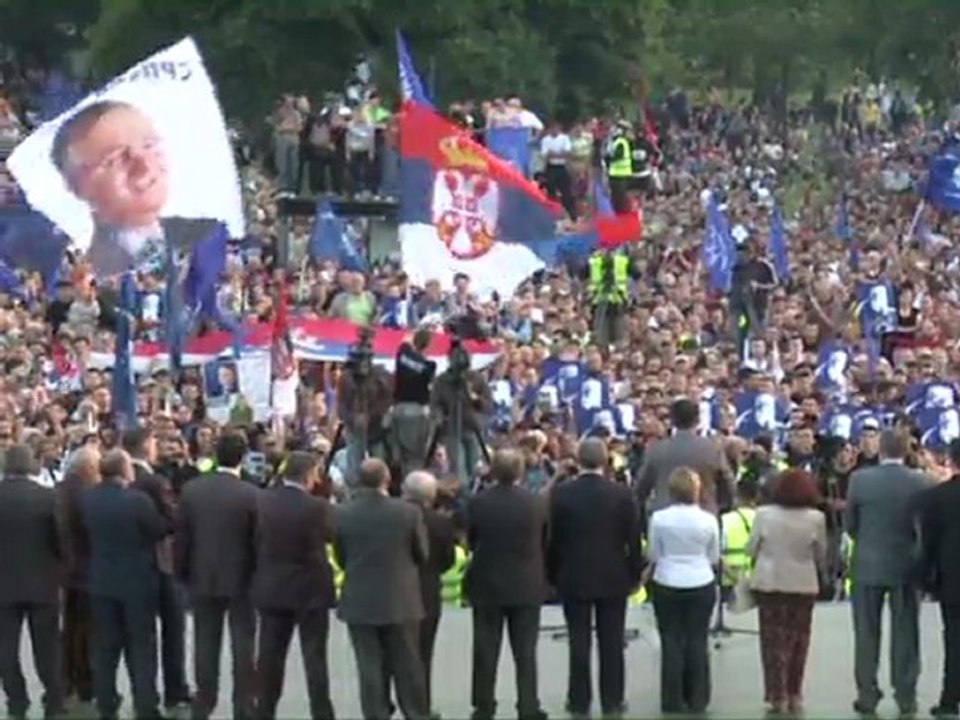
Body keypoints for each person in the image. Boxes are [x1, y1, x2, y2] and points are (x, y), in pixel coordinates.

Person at [50, 99, 223, 277]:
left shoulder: (210, 233)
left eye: (149, 145)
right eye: (116, 159)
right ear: (77, 186)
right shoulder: (90, 270)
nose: (145, 166)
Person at [548, 438, 643, 718]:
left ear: (578, 460)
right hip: (614, 576)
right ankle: (612, 699)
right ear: (605, 461)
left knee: (578, 641)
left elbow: (553, 540)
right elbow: (633, 540)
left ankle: (578, 700)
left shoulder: (562, 494)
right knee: (612, 641)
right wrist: (634, 573)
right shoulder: (623, 494)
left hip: (573, 575)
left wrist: (552, 573)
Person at [334, 458, 428, 720]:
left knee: (369, 666)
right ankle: (415, 713)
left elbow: (341, 556)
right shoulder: (408, 513)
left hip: (360, 599)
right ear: (387, 479)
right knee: (407, 664)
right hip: (400, 598)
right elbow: (422, 553)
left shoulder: (344, 513)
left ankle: (375, 715)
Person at [174, 430, 259, 720]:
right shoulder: (251, 494)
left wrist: (181, 573)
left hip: (202, 576)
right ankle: (244, 705)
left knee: (205, 643)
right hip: (243, 579)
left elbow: (181, 539)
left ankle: (204, 702)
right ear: (243, 457)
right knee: (243, 645)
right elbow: (258, 541)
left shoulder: (192, 490)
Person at [846, 430, 931, 718]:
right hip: (906, 566)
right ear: (906, 450)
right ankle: (906, 695)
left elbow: (850, 525)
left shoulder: (859, 480)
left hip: (867, 564)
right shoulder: (920, 481)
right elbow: (924, 527)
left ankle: (867, 694)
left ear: (879, 450)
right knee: (906, 632)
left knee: (866, 633)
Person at [81, 448, 169, 720]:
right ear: (124, 470)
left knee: (106, 646)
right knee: (141, 645)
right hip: (137, 581)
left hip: (101, 580)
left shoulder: (89, 499)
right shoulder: (138, 500)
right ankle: (145, 704)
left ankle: (106, 702)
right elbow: (159, 530)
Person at [464, 449, 549, 720]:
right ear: (521, 472)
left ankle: (484, 706)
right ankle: (528, 705)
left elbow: (471, 539)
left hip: (487, 582)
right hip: (526, 583)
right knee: (525, 651)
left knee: (485, 649)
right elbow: (545, 540)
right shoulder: (536, 503)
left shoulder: (478, 502)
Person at [251, 451, 336, 720]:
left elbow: (253, 540)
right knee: (315, 659)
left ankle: (264, 711)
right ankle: (321, 713)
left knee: (270, 658)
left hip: (273, 587)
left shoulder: (262, 502)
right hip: (311, 590)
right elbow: (333, 535)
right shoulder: (318, 507)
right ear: (310, 475)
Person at [748, 469, 827, 715]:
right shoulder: (816, 518)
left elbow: (751, 549)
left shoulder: (763, 515)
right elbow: (821, 554)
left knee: (772, 642)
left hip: (770, 583)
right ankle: (795, 693)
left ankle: (776, 695)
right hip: (803, 584)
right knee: (799, 641)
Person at [123, 426, 191, 711]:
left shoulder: (118, 478)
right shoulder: (153, 481)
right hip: (162, 564)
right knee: (173, 632)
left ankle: (146, 696)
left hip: (132, 568)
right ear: (144, 445)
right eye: (153, 441)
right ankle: (176, 689)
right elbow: (172, 518)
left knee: (141, 638)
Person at [647, 467, 719, 715]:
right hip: (700, 580)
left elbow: (654, 554)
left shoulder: (659, 519)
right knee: (697, 640)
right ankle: (698, 698)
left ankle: (672, 699)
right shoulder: (709, 520)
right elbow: (714, 555)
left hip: (667, 580)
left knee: (671, 640)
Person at [0, 444, 66, 720]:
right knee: (48, 648)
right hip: (44, 584)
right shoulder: (48, 497)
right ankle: (53, 701)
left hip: (3, 586)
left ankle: (17, 700)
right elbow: (61, 541)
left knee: (5, 650)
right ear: (31, 466)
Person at [402, 471, 456, 718]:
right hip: (427, 591)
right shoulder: (441, 522)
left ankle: (385, 704)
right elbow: (448, 560)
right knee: (424, 652)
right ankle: (421, 706)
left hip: (397, 590)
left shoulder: (395, 517)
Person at [636, 398, 736, 516]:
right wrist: (723, 506)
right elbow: (728, 483)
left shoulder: (656, 449)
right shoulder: (712, 449)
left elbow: (641, 488)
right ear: (698, 420)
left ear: (672, 420)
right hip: (704, 515)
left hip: (664, 516)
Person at [58, 445, 101, 708]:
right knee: (85, 631)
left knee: (69, 629)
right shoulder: (87, 495)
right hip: (86, 571)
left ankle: (65, 680)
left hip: (63, 572)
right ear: (88, 469)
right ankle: (85, 682)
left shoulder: (58, 491)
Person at [920, 438, 960, 719]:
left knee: (955, 642)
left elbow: (928, 545)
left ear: (951, 460)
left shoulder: (936, 498)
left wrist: (926, 581)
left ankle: (950, 700)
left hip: (952, 581)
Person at [391, 327, 437, 480]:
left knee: (399, 456)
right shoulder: (429, 366)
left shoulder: (402, 353)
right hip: (416, 412)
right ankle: (411, 490)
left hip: (398, 410)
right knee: (414, 458)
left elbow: (405, 342)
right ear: (428, 345)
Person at [720, 480, 759, 595]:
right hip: (758, 582)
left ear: (736, 497)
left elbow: (717, 555)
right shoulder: (764, 520)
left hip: (729, 583)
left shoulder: (725, 520)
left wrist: (735, 579)